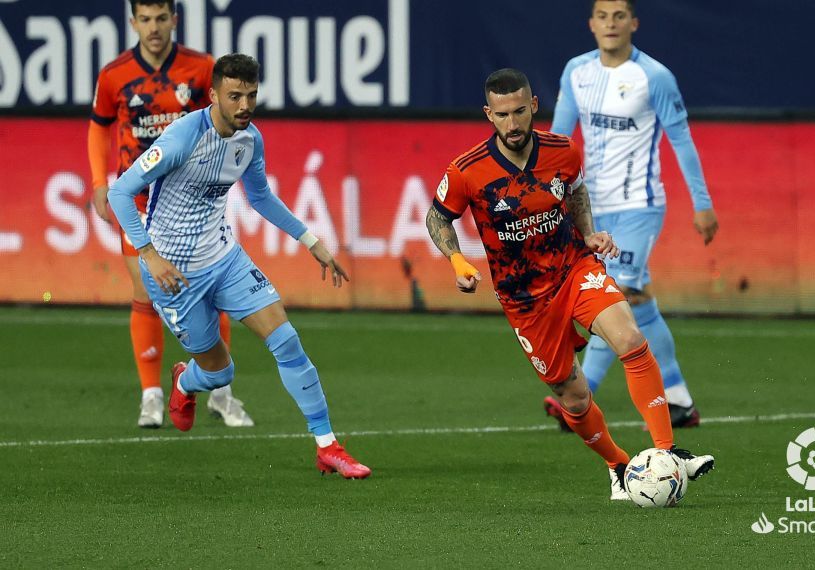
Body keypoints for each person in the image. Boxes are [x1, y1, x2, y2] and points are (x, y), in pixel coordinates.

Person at [425, 68, 712, 500]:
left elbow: (577, 192)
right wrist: (456, 259)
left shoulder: (563, 151)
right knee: (574, 399)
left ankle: (667, 452)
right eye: (502, 115)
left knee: (630, 338)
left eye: (520, 111)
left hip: (573, 267)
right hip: (524, 299)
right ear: (489, 114)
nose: (513, 123)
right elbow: (437, 217)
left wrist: (590, 232)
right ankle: (618, 466)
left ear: (534, 106)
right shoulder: (468, 170)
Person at [107, 53, 371, 479]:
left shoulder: (251, 139)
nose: (244, 104)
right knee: (219, 372)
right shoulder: (181, 137)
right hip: (174, 277)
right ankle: (184, 382)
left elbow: (261, 197)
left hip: (225, 259)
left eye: (250, 94)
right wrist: (149, 255)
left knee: (287, 342)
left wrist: (310, 240)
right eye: (234, 96)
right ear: (213, 95)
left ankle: (327, 446)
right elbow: (120, 193)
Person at [547, 0, 719, 429]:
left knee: (618, 290)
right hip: (591, 209)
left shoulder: (654, 77)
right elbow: (558, 138)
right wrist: (543, 192)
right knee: (636, 300)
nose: (610, 24)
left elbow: (681, 140)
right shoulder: (576, 72)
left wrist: (702, 203)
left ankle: (582, 393)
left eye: (619, 16)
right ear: (590, 24)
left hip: (640, 206)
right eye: (602, 16)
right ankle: (678, 400)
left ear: (633, 23)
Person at [89, 0, 253, 429]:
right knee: (145, 295)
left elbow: (221, 119)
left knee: (212, 288)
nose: (154, 27)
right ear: (133, 23)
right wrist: (98, 182)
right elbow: (99, 125)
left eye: (162, 17)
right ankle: (151, 395)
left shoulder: (201, 69)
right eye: (145, 19)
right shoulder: (114, 74)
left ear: (174, 20)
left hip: (189, 200)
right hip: (138, 201)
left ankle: (221, 392)